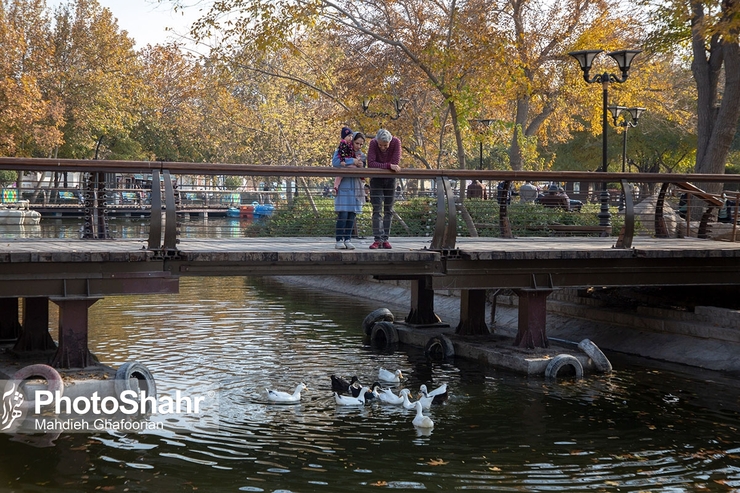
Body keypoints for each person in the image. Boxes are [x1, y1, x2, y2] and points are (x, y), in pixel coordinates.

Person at [367, 128, 401, 249]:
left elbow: (395, 163)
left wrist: (389, 166)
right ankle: (377, 239)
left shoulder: (396, 142)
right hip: (376, 179)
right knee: (377, 210)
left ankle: (385, 239)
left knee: (389, 209)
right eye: (381, 145)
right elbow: (371, 163)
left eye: (385, 145)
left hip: (390, 180)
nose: (383, 148)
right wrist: (388, 165)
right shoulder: (373, 143)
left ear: (390, 142)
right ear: (377, 141)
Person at [332, 132, 366, 249]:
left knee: (352, 215)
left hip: (355, 187)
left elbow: (365, 168)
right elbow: (335, 162)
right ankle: (339, 239)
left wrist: (361, 165)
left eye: (361, 144)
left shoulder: (361, 155)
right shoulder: (341, 150)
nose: (359, 146)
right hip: (344, 187)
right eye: (357, 143)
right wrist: (352, 161)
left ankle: (348, 238)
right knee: (343, 214)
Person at [333, 127, 355, 194]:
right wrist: (343, 161)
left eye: (351, 136)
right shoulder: (343, 144)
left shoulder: (349, 145)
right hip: (343, 164)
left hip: (345, 165)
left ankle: (335, 187)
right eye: (349, 136)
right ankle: (335, 187)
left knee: (341, 175)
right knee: (339, 176)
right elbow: (341, 153)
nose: (350, 138)